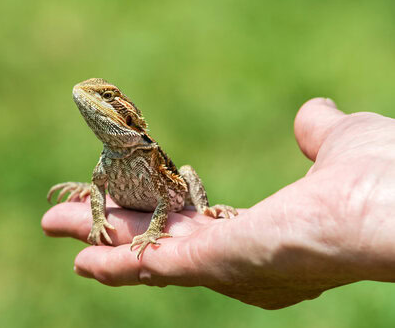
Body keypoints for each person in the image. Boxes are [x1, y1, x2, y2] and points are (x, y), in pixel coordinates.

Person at [41, 98, 395, 309]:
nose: (93, 99)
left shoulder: (146, 155)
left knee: (189, 172)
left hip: (173, 205)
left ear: (127, 118)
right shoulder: (106, 158)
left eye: (105, 97)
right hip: (130, 201)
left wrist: (153, 232)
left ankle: (206, 207)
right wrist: (98, 216)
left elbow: (167, 199)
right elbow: (99, 185)